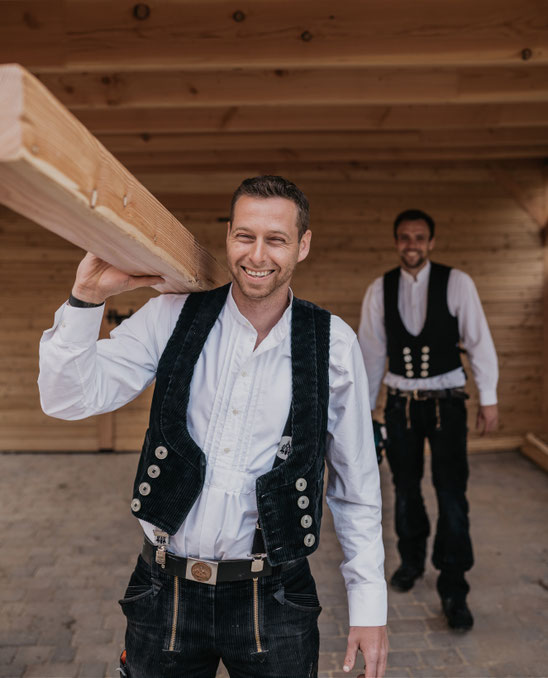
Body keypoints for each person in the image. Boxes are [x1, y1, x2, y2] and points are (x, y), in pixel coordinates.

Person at [39, 176, 388, 678]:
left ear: (303, 245)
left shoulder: (333, 344)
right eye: (245, 235)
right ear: (228, 235)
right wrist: (85, 298)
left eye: (277, 239)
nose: (258, 254)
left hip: (277, 597)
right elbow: (66, 398)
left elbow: (356, 486)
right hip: (164, 591)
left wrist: (369, 605)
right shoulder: (170, 316)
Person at [358, 209, 498, 632]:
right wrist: (365, 411)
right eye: (404, 237)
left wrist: (488, 398)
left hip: (447, 403)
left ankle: (454, 586)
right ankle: (412, 561)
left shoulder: (457, 283)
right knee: (404, 487)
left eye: (419, 237)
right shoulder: (380, 289)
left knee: (451, 492)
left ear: (431, 242)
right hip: (400, 403)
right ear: (396, 241)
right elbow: (370, 352)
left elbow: (479, 341)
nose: (412, 245)